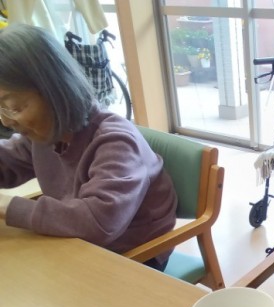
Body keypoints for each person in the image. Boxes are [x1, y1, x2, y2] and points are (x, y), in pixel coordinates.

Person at [0, 24, 177, 271]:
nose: (6, 121)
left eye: (15, 107)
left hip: (134, 251)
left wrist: (7, 207)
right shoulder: (42, 135)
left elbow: (98, 222)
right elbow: (7, 161)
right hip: (81, 242)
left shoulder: (115, 141)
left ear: (54, 91)